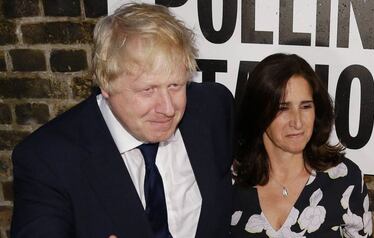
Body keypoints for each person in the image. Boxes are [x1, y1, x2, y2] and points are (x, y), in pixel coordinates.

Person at [11, 3, 233, 238]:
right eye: (148, 90)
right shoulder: (47, 159)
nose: (168, 109)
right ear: (106, 84)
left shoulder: (213, 108)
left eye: (175, 85)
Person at [230, 53, 372, 237]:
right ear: (258, 112)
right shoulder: (230, 180)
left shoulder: (345, 181)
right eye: (283, 108)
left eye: (305, 106)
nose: (297, 122)